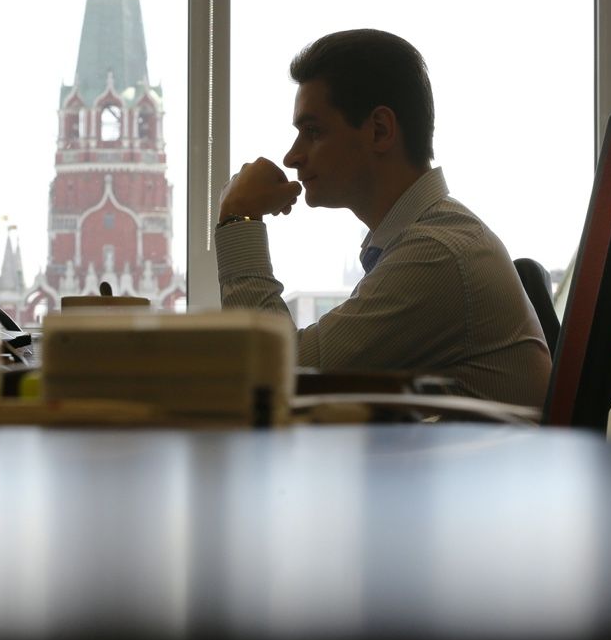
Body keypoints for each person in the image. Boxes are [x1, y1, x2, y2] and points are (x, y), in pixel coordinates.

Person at [215, 29, 551, 408]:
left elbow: (280, 381)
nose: (292, 157)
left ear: (379, 130)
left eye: (313, 132)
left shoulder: (437, 254)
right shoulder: (421, 241)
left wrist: (238, 220)